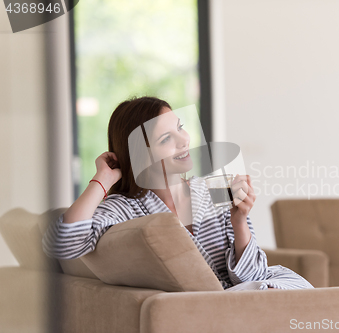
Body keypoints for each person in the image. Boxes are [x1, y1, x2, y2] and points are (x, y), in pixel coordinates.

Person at [42, 96, 314, 291]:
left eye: (180, 128)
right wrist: (102, 179)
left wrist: (240, 221)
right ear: (141, 156)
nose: (184, 140)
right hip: (209, 308)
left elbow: (253, 274)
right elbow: (60, 245)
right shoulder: (123, 208)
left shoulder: (213, 189)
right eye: (166, 138)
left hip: (250, 294)